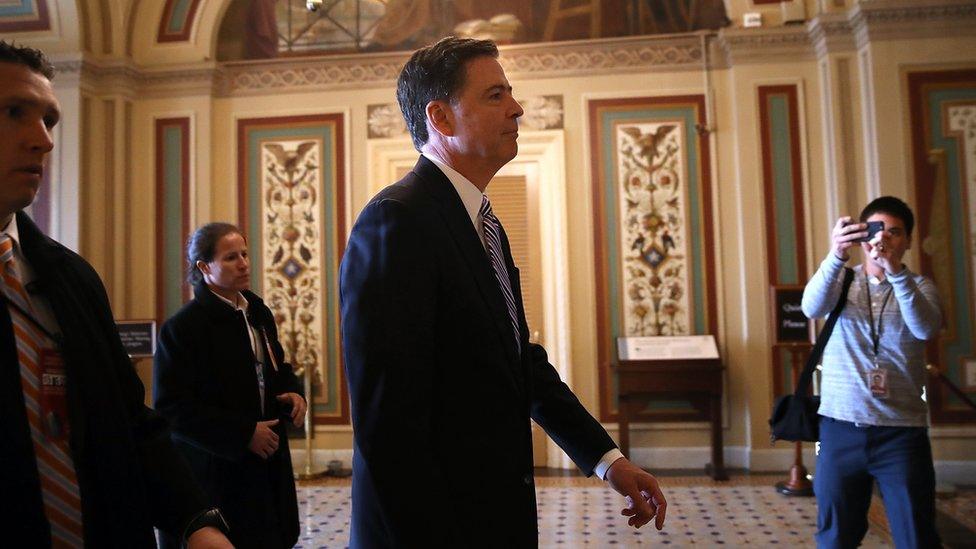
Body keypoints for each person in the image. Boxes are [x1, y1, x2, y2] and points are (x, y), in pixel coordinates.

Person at [340, 36, 667, 547]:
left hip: (493, 516)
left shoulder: (484, 223)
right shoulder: (396, 221)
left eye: (509, 94)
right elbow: (388, 422)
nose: (517, 108)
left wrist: (608, 461)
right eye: (495, 96)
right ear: (441, 118)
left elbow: (518, 363)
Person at [0, 41, 232, 547]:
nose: (43, 140)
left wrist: (197, 522)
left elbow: (130, 423)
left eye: (50, 120)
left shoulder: (72, 278)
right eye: (14, 112)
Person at [154, 222, 308, 549]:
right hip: (219, 472)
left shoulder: (257, 313)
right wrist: (242, 434)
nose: (243, 263)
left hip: (268, 466)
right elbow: (172, 408)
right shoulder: (183, 329)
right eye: (230, 257)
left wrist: (295, 392)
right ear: (203, 267)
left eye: (245, 254)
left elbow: (277, 367)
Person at [801, 196, 942, 548]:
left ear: (907, 240)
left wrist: (895, 272)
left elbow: (926, 328)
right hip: (839, 428)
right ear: (862, 236)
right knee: (835, 536)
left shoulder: (920, 287)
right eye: (878, 231)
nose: (885, 240)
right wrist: (836, 254)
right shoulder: (841, 281)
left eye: (895, 233)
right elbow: (811, 307)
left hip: (901, 434)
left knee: (916, 536)